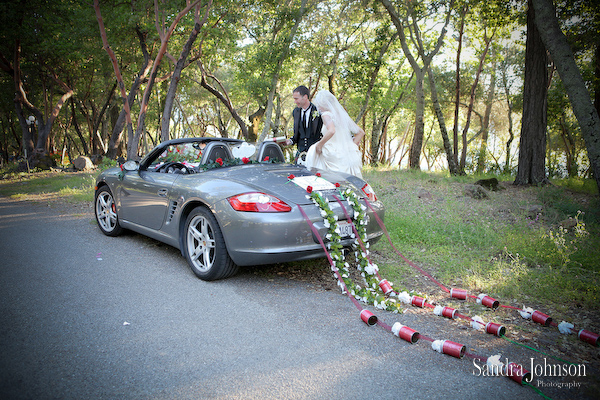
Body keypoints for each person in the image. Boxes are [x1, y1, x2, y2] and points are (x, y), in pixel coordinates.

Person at [304, 90, 365, 178]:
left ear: (324, 104)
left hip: (332, 152)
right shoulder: (342, 116)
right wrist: (351, 146)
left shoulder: (326, 115)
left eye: (319, 104)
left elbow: (332, 130)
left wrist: (320, 145)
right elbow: (361, 132)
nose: (318, 107)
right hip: (346, 153)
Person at [285, 86, 323, 161]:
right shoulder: (295, 112)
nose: (295, 101)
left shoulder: (318, 111)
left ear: (305, 97)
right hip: (300, 153)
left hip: (315, 153)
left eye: (296, 99)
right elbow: (297, 135)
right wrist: (290, 141)